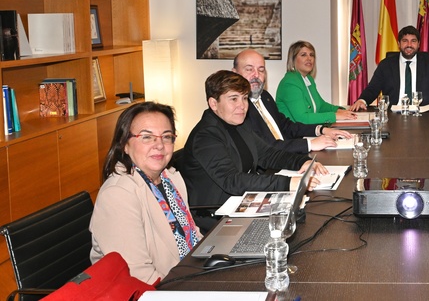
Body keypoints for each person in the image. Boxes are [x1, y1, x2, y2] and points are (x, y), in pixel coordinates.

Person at [180, 70, 327, 232]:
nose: (242, 106)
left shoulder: (240, 124)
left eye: (244, 98)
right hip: (216, 216)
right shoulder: (206, 135)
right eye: (233, 99)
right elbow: (232, 181)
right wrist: (287, 182)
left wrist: (302, 161)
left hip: (241, 202)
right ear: (213, 103)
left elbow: (268, 154)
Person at [89, 102, 201, 283]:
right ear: (125, 144)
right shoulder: (118, 194)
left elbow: (192, 237)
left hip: (189, 276)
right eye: (147, 137)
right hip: (158, 291)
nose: (159, 145)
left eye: (166, 137)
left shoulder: (170, 178)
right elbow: (138, 276)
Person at [232, 49, 351, 153]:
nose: (256, 75)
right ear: (235, 73)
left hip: (288, 154)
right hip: (269, 168)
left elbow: (286, 126)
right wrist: (310, 144)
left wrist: (321, 130)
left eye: (261, 70)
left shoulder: (265, 96)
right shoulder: (238, 109)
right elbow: (266, 147)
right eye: (249, 69)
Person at [348, 25, 429, 111]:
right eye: (405, 41)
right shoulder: (386, 65)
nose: (409, 45)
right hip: (393, 116)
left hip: (425, 117)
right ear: (399, 44)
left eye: (413, 41)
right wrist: (362, 100)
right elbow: (373, 88)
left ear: (418, 45)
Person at [276, 41, 356, 124]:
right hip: (294, 135)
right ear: (293, 59)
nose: (309, 58)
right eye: (303, 55)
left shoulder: (308, 79)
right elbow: (302, 118)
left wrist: (342, 111)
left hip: (307, 131)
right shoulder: (290, 83)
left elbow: (321, 106)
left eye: (311, 55)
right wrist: (335, 116)